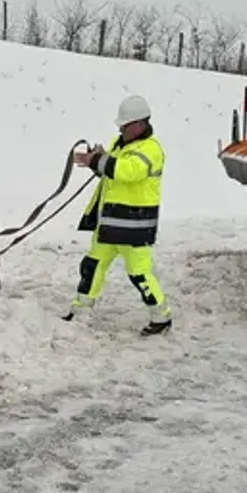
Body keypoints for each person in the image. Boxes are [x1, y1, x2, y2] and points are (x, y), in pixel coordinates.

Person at [65, 94, 171, 336]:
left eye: (125, 125)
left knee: (139, 273)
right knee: (92, 265)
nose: (121, 129)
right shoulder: (119, 143)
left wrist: (100, 160)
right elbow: (109, 171)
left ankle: (161, 316)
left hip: (135, 226)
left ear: (140, 124)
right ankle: (81, 309)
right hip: (110, 222)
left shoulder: (151, 149)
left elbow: (128, 171)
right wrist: (97, 160)